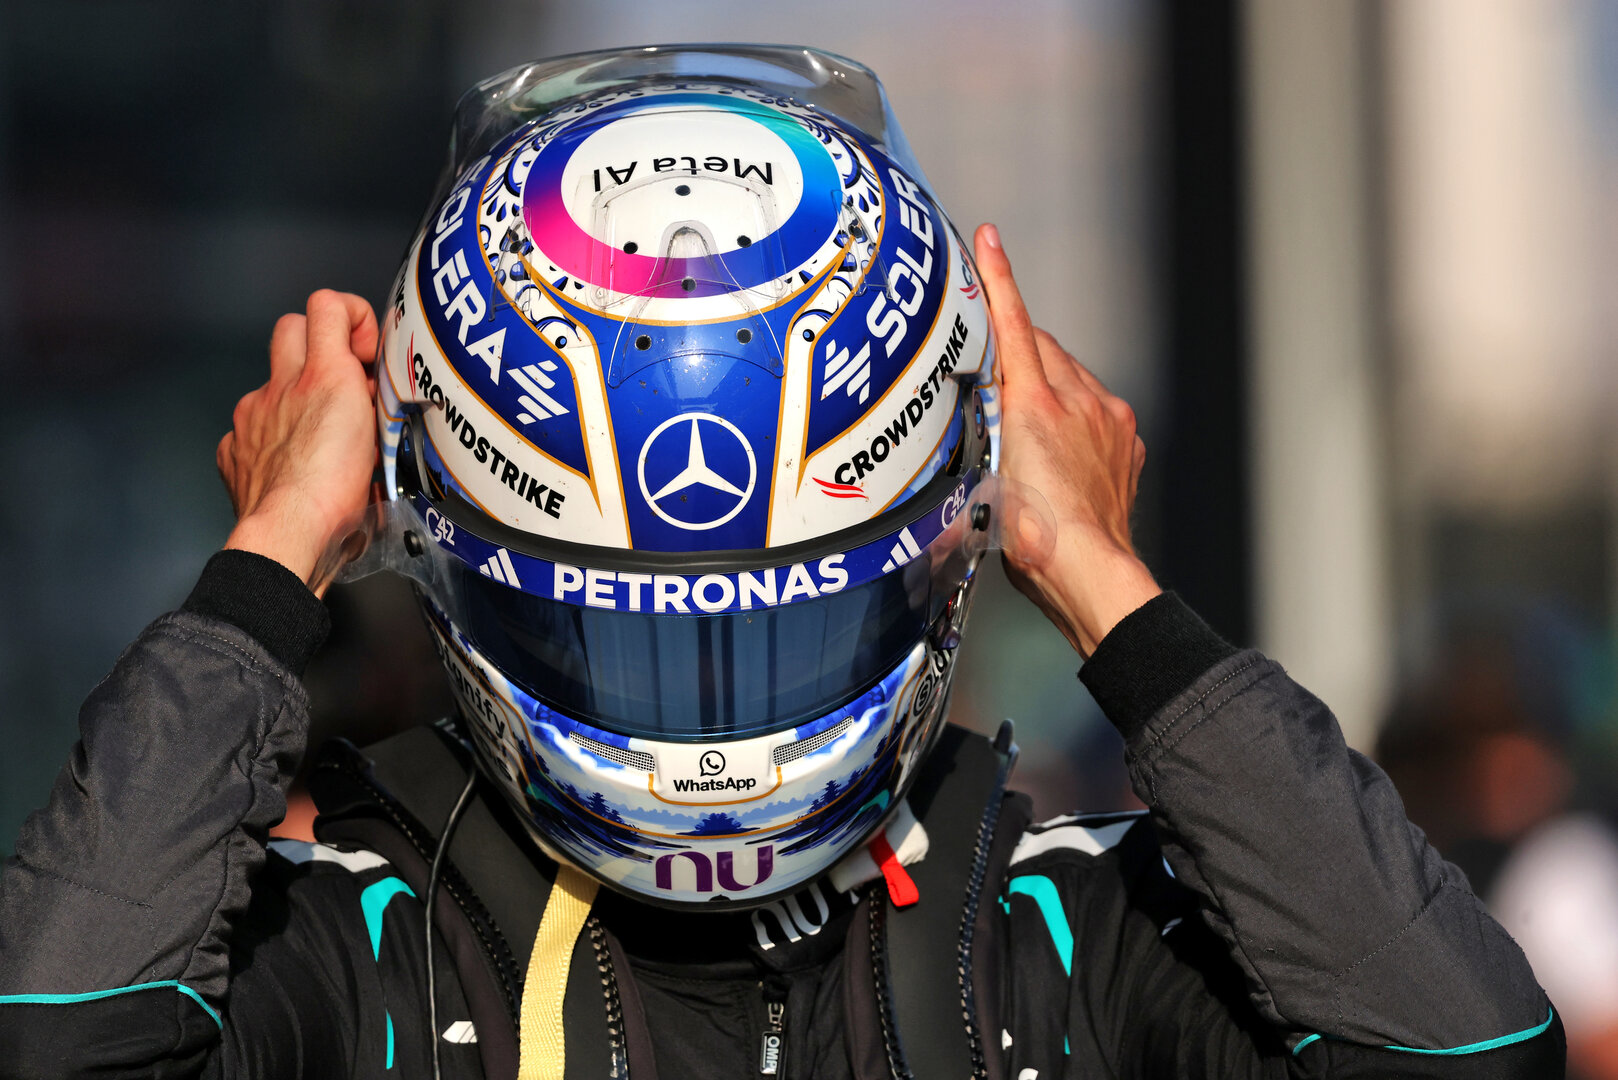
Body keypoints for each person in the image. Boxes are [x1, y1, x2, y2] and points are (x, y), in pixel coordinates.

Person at [0, 45, 1562, 1079]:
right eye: (634, 643)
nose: (713, 735)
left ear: (950, 544)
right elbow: (56, 1037)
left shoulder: (1050, 943)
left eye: (781, 627)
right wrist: (272, 558)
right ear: (448, 561)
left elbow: (1467, 1054)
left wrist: (1102, 577)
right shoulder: (359, 952)